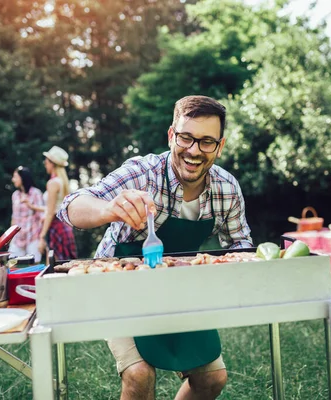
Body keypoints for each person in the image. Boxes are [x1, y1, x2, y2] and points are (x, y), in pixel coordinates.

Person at [58, 95, 253, 399]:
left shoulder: (227, 189)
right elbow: (71, 207)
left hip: (179, 291)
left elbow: (241, 246)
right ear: (171, 135)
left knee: (213, 377)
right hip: (119, 288)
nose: (193, 151)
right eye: (185, 138)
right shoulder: (142, 173)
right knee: (139, 374)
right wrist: (109, 209)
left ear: (220, 145)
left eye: (206, 142)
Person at [39, 146, 77, 260]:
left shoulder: (52, 183)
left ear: (52, 164)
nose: (45, 163)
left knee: (54, 267)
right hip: (64, 227)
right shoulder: (63, 182)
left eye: (47, 161)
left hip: (56, 228)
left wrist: (42, 236)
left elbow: (50, 212)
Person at [8, 166, 45, 262]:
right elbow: (14, 217)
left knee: (34, 265)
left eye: (15, 177)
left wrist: (42, 239)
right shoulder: (15, 195)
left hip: (33, 235)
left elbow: (43, 216)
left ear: (22, 178)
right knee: (12, 263)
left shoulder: (36, 193)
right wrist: (10, 237)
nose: (13, 180)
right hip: (18, 237)